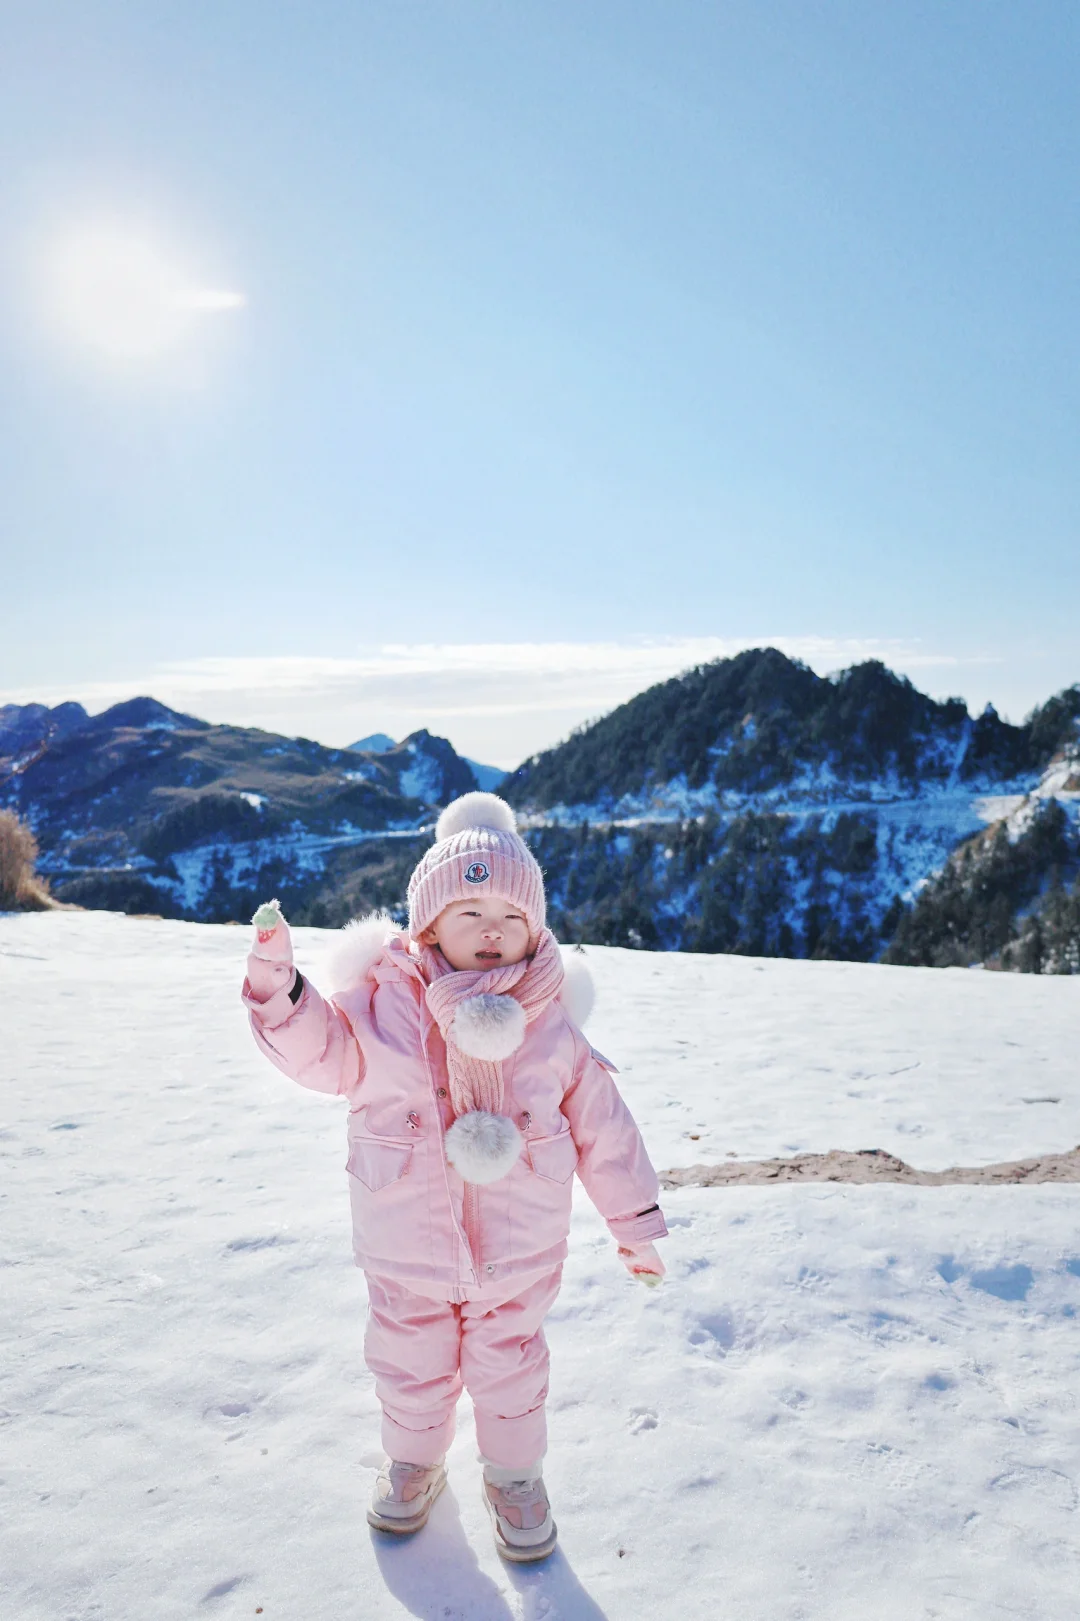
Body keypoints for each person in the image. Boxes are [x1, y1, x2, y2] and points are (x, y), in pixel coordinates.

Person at [241, 792, 667, 1563]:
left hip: (520, 1246)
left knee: (512, 1365)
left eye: (511, 912)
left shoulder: (550, 1023)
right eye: (469, 910)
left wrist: (634, 1225)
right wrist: (280, 989)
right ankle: (414, 1462)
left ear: (535, 926)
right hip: (406, 1241)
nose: (492, 927)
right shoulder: (380, 1005)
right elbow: (320, 1053)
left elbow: (605, 1129)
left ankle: (514, 1475)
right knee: (409, 1361)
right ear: (429, 925)